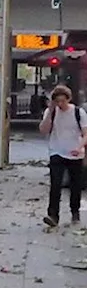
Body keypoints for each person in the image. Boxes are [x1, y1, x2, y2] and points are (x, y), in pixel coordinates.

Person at [38, 84, 86, 227]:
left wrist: (79, 147)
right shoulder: (51, 111)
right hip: (56, 151)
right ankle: (53, 215)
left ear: (68, 99)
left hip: (75, 153)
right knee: (55, 184)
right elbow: (43, 130)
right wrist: (51, 111)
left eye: (63, 101)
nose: (60, 104)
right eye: (57, 101)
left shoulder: (78, 112)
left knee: (75, 185)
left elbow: (86, 134)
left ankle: (75, 212)